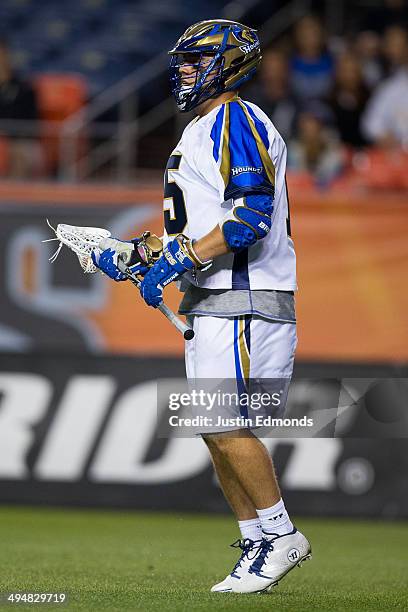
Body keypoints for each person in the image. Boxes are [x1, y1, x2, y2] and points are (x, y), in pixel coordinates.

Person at [92, 19, 311, 594]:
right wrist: (139, 254)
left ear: (227, 64)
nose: (184, 71)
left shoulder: (233, 118)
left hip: (242, 297)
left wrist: (178, 259)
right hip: (219, 299)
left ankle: (281, 534)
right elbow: (201, 226)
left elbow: (247, 219)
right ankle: (256, 542)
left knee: (222, 422)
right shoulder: (206, 127)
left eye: (195, 61)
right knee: (214, 428)